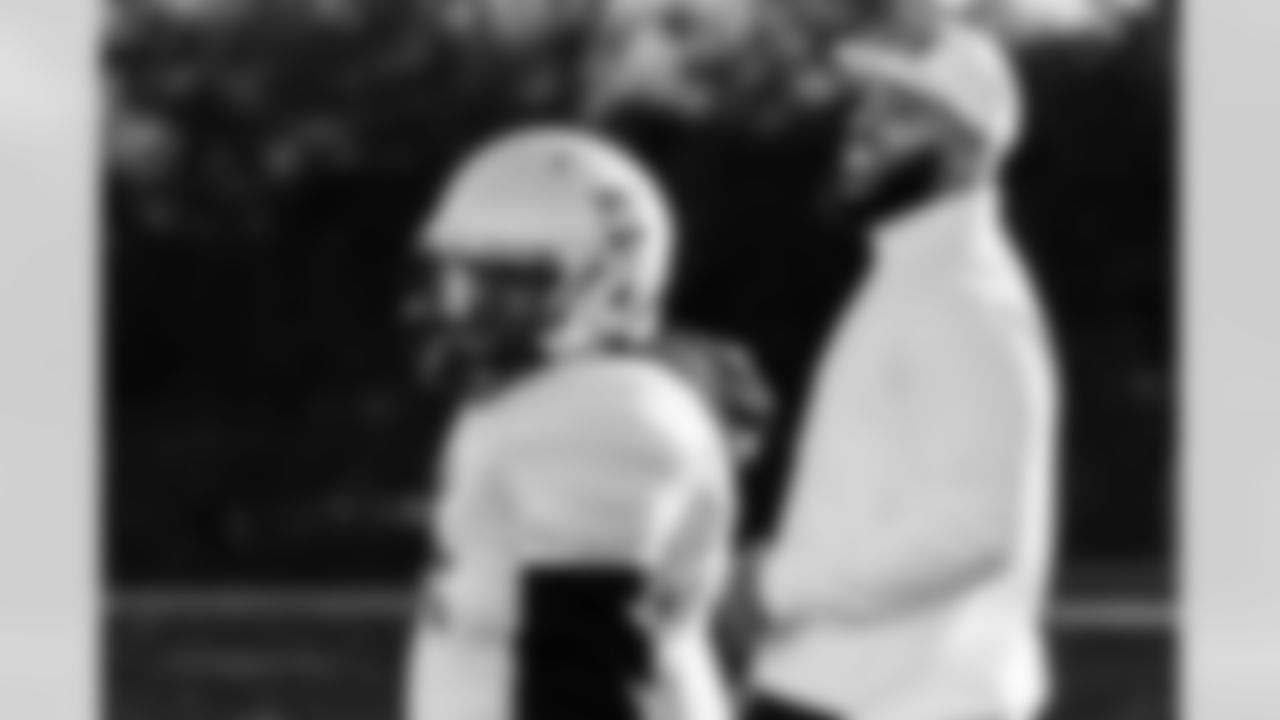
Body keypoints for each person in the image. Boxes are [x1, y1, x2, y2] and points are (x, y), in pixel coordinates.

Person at [731, 20, 1060, 720]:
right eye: (868, 103)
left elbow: (975, 527)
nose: (863, 127)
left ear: (970, 153)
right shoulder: (912, 275)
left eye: (904, 110)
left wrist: (772, 587)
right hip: (840, 686)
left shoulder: (965, 295)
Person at [402, 126, 738, 720]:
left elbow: (589, 670)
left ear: (612, 278)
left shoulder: (594, 408)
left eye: (515, 284)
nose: (470, 310)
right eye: (465, 280)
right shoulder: (546, 398)